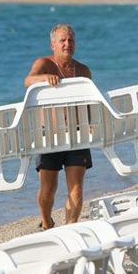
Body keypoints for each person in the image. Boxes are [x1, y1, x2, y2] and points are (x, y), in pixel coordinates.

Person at [24, 23, 92, 230]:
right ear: (53, 44)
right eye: (62, 40)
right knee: (48, 188)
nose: (67, 44)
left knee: (77, 189)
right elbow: (28, 80)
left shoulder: (82, 71)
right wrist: (45, 78)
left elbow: (89, 101)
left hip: (76, 136)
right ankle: (47, 223)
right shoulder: (44, 63)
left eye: (70, 40)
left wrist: (90, 125)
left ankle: (70, 228)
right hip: (49, 136)